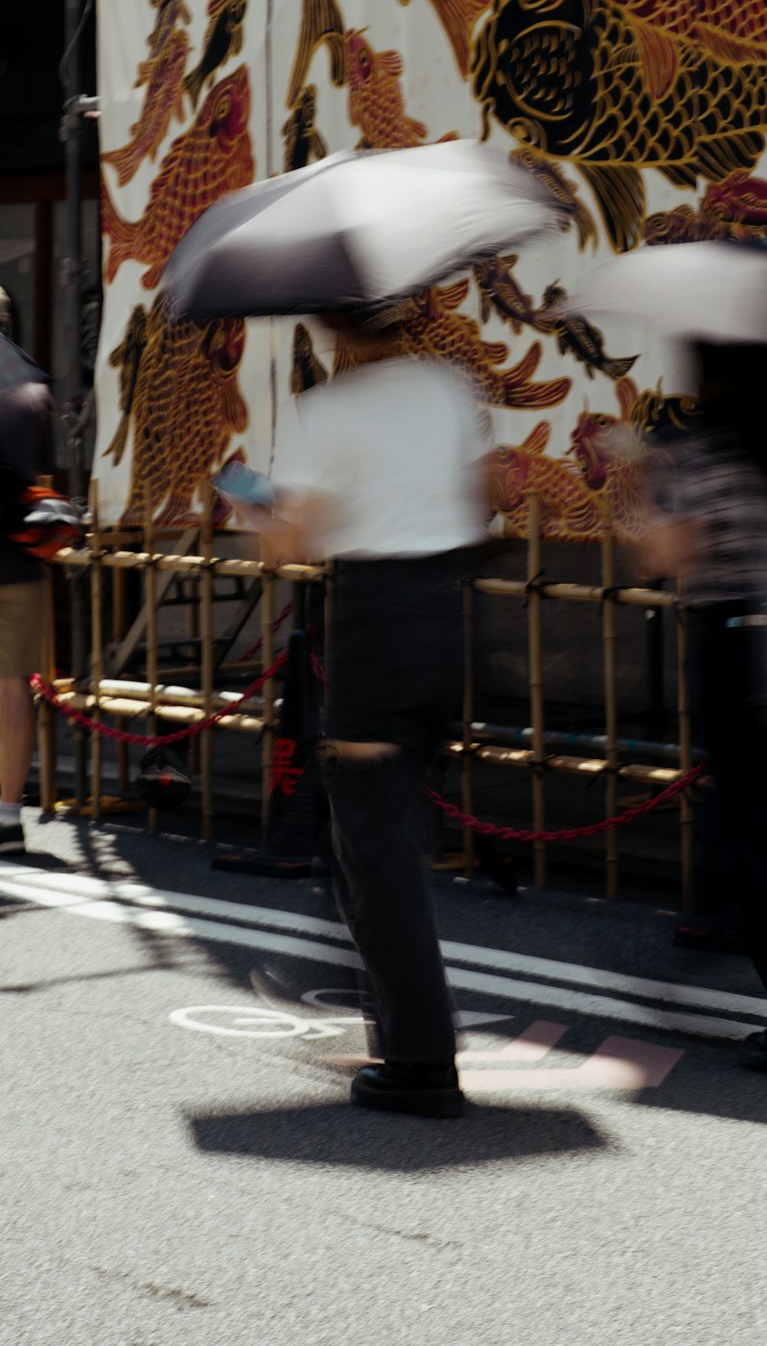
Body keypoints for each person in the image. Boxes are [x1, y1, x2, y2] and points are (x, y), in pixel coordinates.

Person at [253, 302, 489, 1119]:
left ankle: (421, 1058)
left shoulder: (329, 409)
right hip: (444, 613)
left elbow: (294, 543)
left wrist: (255, 506)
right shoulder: (448, 386)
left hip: (375, 620)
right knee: (388, 831)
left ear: (332, 329)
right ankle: (400, 1021)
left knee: (375, 848)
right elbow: (482, 496)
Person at [637, 342, 767, 1083]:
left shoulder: (700, 451)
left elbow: (663, 555)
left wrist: (643, 482)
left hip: (733, 648)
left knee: (755, 840)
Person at [0, 290, 56, 857]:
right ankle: (8, 815)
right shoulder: (34, 387)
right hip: (17, 555)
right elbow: (40, 476)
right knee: (12, 684)